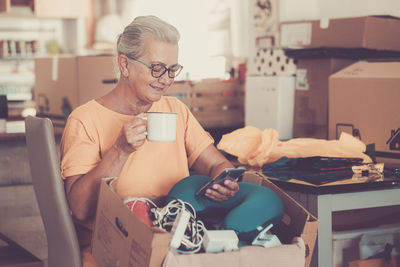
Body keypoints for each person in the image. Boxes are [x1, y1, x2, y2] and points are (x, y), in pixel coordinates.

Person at [60, 15, 239, 266]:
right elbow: (80, 208)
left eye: (172, 69)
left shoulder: (176, 110)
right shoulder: (84, 119)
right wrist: (120, 150)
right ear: (125, 65)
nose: (165, 79)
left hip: (175, 241)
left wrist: (225, 181)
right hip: (111, 245)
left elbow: (217, 165)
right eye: (156, 68)